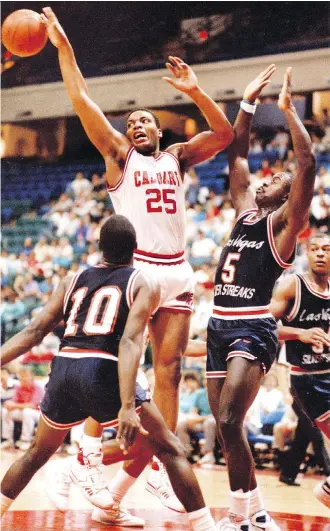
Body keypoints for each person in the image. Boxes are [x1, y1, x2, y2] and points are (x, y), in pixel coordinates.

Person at [40, 6, 234, 511]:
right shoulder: (119, 159)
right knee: (112, 363)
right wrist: (65, 49)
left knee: (166, 371)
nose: (138, 124)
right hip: (138, 269)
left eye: (146, 119)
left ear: (161, 131)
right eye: (131, 122)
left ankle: (160, 468)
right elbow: (81, 98)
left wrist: (194, 90)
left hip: (177, 268)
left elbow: (225, 134)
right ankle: (84, 448)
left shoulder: (177, 157)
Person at [0, 215, 218, 531]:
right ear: (136, 247)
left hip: (64, 368)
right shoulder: (143, 281)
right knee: (169, 447)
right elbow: (130, 342)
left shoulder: (71, 279)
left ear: (99, 247)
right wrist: (127, 405)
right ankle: (207, 526)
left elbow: (33, 331)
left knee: (36, 452)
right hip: (103, 370)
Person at [206, 63, 317, 531]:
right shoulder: (245, 212)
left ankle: (236, 518)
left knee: (231, 419)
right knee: (229, 432)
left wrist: (289, 112)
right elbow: (236, 156)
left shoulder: (283, 229)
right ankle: (257, 512)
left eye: (277, 181)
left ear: (289, 197)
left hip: (252, 326)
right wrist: (247, 104)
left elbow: (307, 164)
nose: (266, 179)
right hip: (216, 324)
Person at [270, 232, 330, 508]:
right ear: (307, 253)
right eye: (315, 249)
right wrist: (299, 333)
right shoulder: (291, 285)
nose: (320, 253)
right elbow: (262, 324)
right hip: (308, 380)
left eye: (326, 249)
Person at [1, 367, 44, 451]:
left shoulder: (38, 387)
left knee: (27, 412)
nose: (24, 379)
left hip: (39, 415)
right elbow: (14, 402)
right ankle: (8, 440)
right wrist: (9, 404)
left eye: (26, 376)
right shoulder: (19, 387)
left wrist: (14, 405)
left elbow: (33, 406)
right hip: (23, 411)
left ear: (31, 376)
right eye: (22, 377)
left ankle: (25, 440)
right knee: (5, 411)